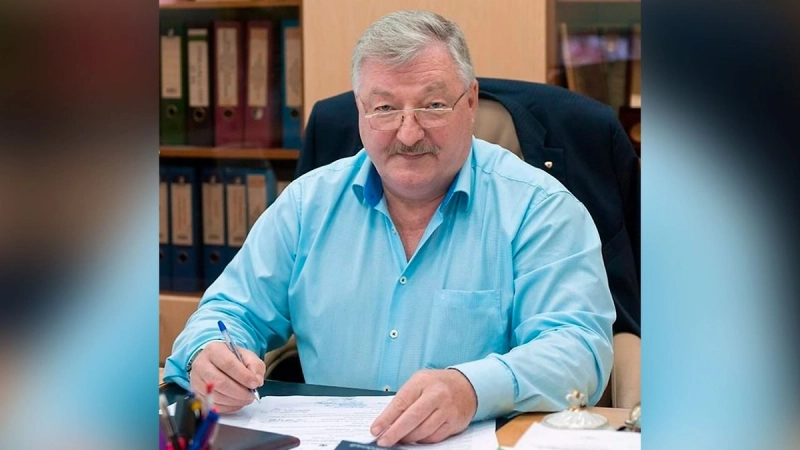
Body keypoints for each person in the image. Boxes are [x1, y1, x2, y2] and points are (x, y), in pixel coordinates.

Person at [164, 10, 615, 446]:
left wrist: (471, 389)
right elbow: (228, 312)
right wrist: (209, 354)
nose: (408, 133)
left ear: (471, 101)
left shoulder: (540, 209)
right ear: (360, 110)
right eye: (384, 108)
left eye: (433, 105)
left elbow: (578, 351)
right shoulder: (307, 206)